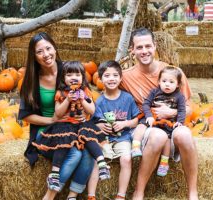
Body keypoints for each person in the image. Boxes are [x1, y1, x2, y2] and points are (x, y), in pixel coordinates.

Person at [120, 27, 198, 200]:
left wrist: (172, 111)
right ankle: (139, 191)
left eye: (148, 46)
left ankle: (192, 192)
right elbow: (110, 96)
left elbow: (190, 108)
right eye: (139, 47)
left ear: (155, 46)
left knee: (185, 135)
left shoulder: (172, 73)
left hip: (173, 124)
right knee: (157, 136)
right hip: (148, 127)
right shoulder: (125, 77)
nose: (144, 51)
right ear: (132, 50)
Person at [18, 32, 95, 200]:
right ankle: (49, 196)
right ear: (34, 55)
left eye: (48, 48)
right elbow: (25, 115)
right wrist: (52, 119)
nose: (46, 54)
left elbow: (87, 96)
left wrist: (83, 116)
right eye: (40, 51)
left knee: (88, 149)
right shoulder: (31, 80)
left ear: (54, 47)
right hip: (46, 130)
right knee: (74, 153)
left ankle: (73, 195)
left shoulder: (68, 71)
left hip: (73, 126)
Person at [32, 61, 110, 192]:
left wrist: (83, 99)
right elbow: (58, 112)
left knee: (88, 136)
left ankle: (102, 163)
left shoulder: (85, 91)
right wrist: (67, 99)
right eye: (69, 74)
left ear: (83, 77)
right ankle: (55, 174)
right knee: (63, 142)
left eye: (77, 74)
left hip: (80, 125)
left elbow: (91, 110)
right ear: (64, 78)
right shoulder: (61, 93)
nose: (73, 77)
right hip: (65, 125)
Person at [93, 60, 140, 200]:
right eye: (107, 75)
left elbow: (136, 120)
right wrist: (100, 126)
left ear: (120, 78)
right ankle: (91, 195)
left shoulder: (127, 98)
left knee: (126, 159)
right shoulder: (99, 101)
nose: (111, 78)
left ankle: (121, 195)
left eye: (115, 75)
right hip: (105, 140)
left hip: (123, 138)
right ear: (100, 79)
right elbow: (94, 123)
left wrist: (125, 123)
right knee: (96, 159)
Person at [131, 66, 186, 178]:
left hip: (167, 122)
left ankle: (164, 163)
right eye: (164, 81)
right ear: (159, 82)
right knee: (141, 126)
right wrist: (149, 116)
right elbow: (146, 104)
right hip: (153, 118)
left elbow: (182, 110)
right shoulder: (154, 92)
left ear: (177, 85)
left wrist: (180, 121)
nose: (167, 84)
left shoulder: (179, 96)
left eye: (171, 82)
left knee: (167, 139)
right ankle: (135, 147)